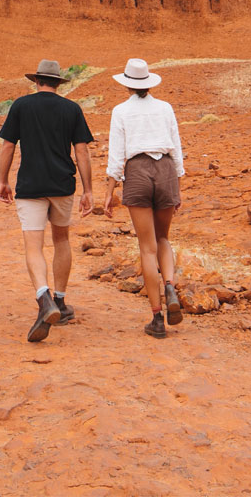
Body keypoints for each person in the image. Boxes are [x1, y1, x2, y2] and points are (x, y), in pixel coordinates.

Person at [0, 59, 94, 342]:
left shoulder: (21, 106)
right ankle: (60, 302)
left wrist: (2, 181)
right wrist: (88, 189)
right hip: (62, 185)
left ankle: (44, 299)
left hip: (30, 186)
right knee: (61, 240)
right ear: (57, 83)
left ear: (36, 81)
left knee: (33, 245)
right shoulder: (71, 109)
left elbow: (7, 146)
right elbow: (82, 152)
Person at [100, 58, 186, 338]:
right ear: (148, 83)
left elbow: (116, 155)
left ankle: (157, 319)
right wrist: (178, 185)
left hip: (136, 171)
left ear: (126, 84)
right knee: (163, 238)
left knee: (147, 248)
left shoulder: (120, 111)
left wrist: (109, 191)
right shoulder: (165, 108)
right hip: (166, 171)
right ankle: (170, 285)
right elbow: (176, 147)